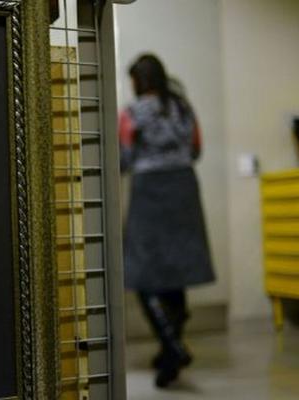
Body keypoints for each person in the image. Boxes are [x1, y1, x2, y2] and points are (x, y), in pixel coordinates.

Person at [119, 54, 215, 388]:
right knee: (177, 272)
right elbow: (196, 150)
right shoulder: (183, 108)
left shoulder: (131, 114)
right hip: (183, 188)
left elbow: (124, 158)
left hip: (149, 191)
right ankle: (170, 349)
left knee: (143, 272)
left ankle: (173, 346)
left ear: (138, 81)